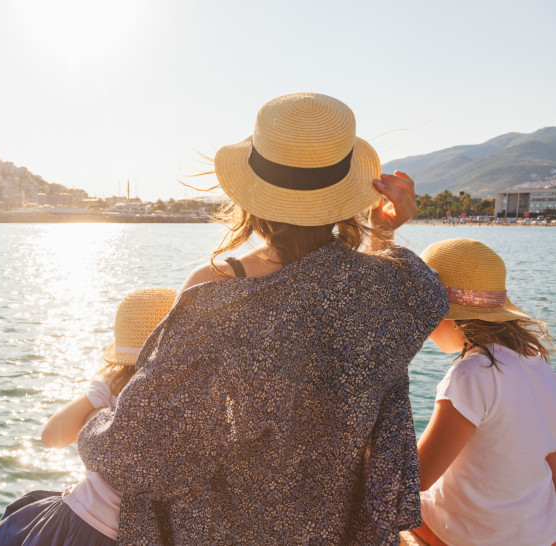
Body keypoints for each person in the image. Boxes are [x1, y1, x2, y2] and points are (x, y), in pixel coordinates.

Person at [77, 92, 450, 544]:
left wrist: (94, 424)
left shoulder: (214, 290)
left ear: (252, 194)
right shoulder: (389, 290)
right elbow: (419, 293)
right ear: (344, 193)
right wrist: (385, 234)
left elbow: (140, 450)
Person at [0, 288, 177, 546]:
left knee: (7, 525)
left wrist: (97, 411)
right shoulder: (194, 399)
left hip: (83, 522)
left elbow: (51, 437)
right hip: (154, 535)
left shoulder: (113, 386)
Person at [414, 238, 556, 546]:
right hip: (535, 536)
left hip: (472, 538)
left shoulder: (471, 374)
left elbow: (417, 478)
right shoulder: (536, 361)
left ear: (445, 315)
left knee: (382, 492)